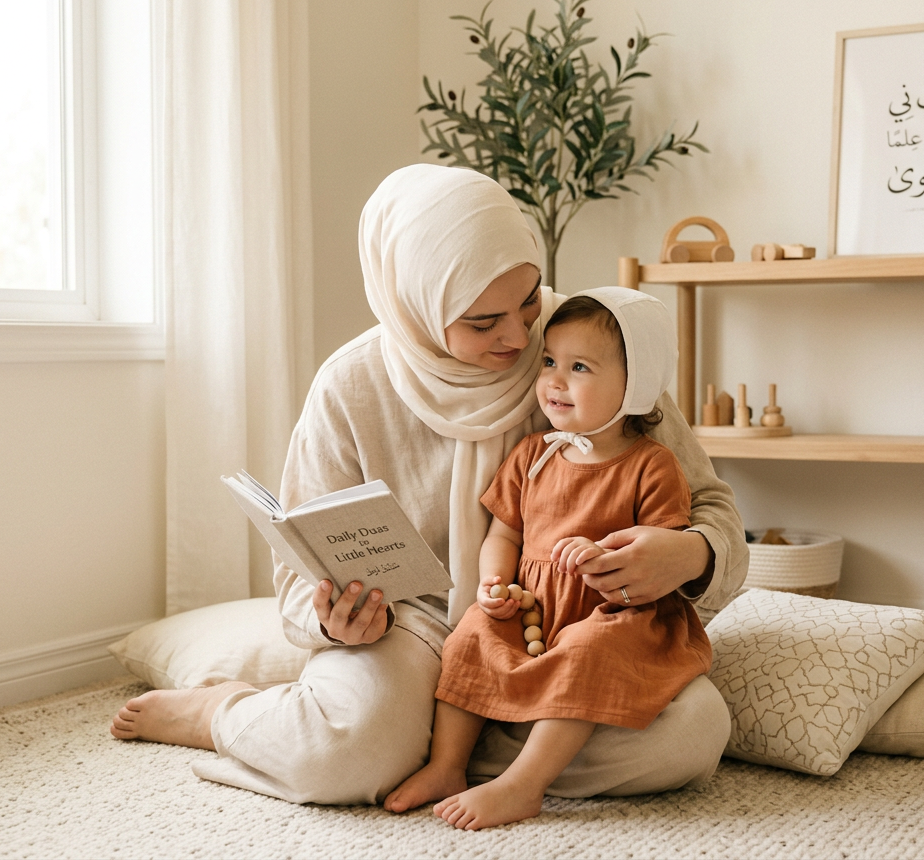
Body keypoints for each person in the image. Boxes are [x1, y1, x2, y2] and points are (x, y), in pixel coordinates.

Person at [110, 164, 746, 807]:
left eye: (529, 298)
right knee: (338, 758)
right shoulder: (351, 385)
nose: (519, 336)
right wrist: (337, 620)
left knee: (691, 732)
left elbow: (708, 502)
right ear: (415, 305)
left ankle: (440, 749)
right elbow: (299, 570)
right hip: (411, 627)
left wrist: (690, 553)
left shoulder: (589, 343)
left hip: (566, 622)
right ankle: (225, 714)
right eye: (482, 321)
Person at [385, 287, 713, 830]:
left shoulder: (652, 465)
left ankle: (524, 783)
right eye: (549, 362)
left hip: (614, 613)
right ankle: (447, 765)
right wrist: (493, 582)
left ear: (635, 384)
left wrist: (604, 552)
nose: (554, 381)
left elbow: (659, 550)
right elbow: (504, 533)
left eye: (579, 367)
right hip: (534, 605)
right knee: (471, 634)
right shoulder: (532, 456)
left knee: (588, 651)